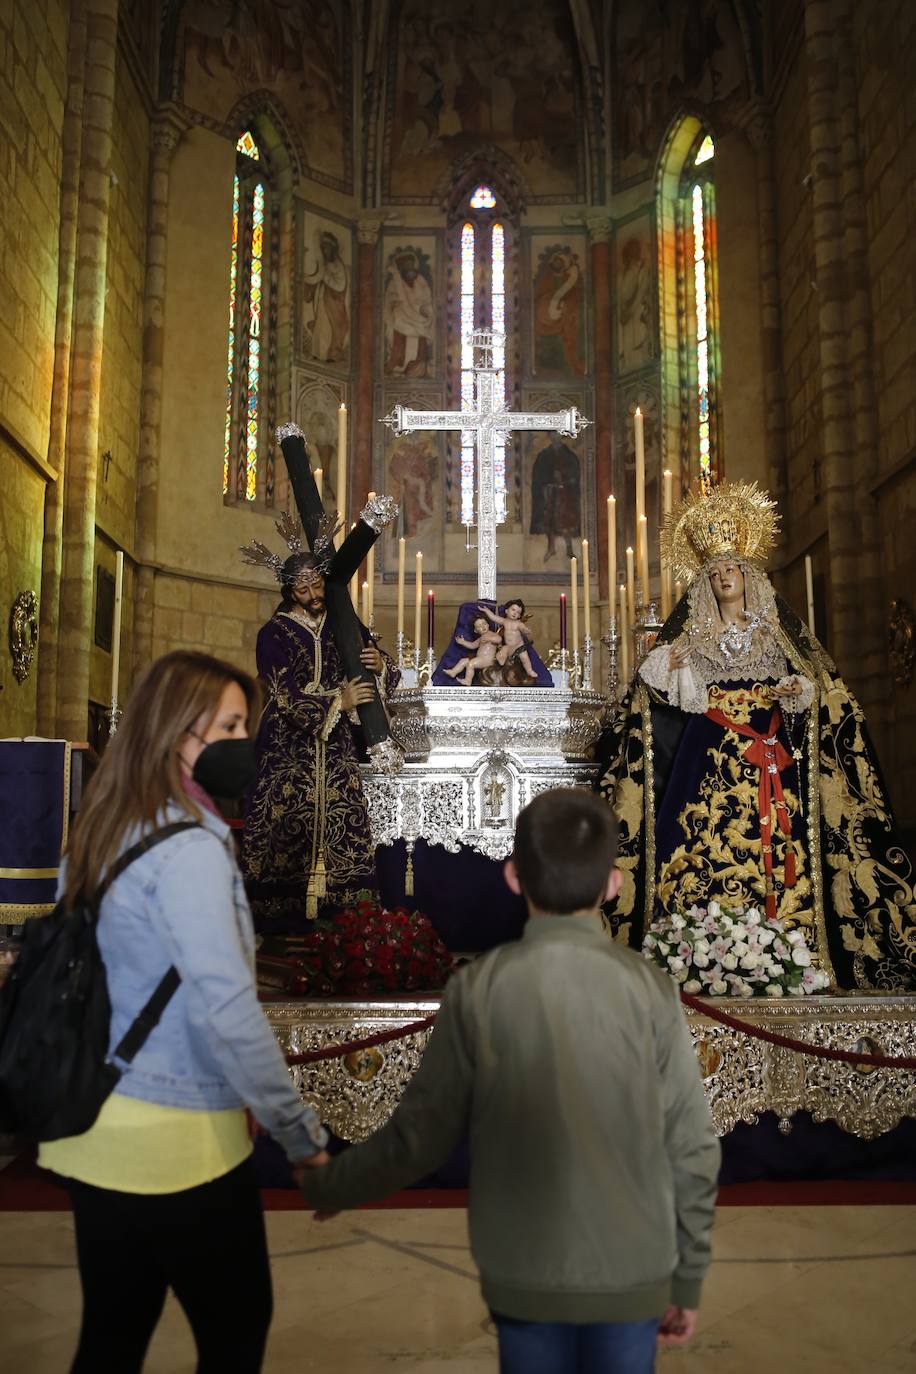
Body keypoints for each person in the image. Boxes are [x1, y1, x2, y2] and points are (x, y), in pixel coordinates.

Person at [298, 788, 720, 1373]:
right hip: (634, 1266)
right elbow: (694, 1146)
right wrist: (689, 1276)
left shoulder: (479, 987)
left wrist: (333, 1186)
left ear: (514, 876)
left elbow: (419, 1139)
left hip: (524, 1269)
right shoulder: (650, 988)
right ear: (613, 885)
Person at [38, 650, 330, 1374]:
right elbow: (227, 1011)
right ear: (178, 732)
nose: (244, 741)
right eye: (229, 724)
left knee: (112, 1334)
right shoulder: (189, 849)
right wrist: (300, 1135)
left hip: (96, 1123)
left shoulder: (104, 826)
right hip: (177, 1137)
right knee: (235, 1334)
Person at [596, 481, 916, 992]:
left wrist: (794, 689)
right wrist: (666, 664)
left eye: (733, 569)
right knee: (695, 840)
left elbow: (816, 689)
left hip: (770, 754)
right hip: (707, 756)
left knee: (782, 844)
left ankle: (786, 945)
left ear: (749, 576)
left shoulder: (774, 635)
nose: (725, 577)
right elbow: (672, 700)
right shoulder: (693, 639)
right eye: (716, 572)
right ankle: (696, 943)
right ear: (704, 582)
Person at [240, 551, 399, 921]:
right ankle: (279, 916)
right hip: (287, 746)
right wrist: (336, 702)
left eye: (317, 584)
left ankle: (348, 915)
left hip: (338, 745)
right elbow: (280, 690)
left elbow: (375, 662)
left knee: (344, 821)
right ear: (289, 591)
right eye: (303, 588)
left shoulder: (342, 621)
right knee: (285, 821)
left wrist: (380, 664)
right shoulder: (274, 633)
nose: (313, 594)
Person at [441, 613, 502, 684]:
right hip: (480, 659)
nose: (482, 626)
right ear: (476, 630)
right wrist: (463, 642)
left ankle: (468, 680)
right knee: (464, 661)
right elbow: (472, 645)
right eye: (479, 626)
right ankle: (454, 672)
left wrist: (490, 639)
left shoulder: (492, 635)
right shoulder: (480, 639)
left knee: (471, 664)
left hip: (488, 660)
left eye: (484, 624)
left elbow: (499, 639)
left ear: (488, 625)